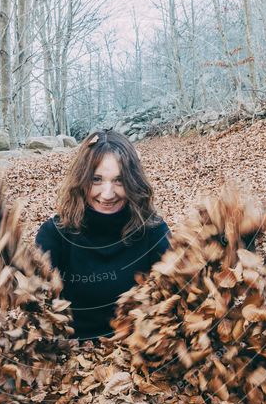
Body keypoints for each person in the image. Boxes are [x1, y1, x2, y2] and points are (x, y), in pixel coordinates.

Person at [35, 129, 171, 341]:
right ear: (81, 180)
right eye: (96, 179)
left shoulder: (153, 232)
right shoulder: (55, 234)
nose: (107, 194)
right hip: (69, 355)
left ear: (133, 182)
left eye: (119, 180)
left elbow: (180, 293)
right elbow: (31, 298)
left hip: (139, 354)